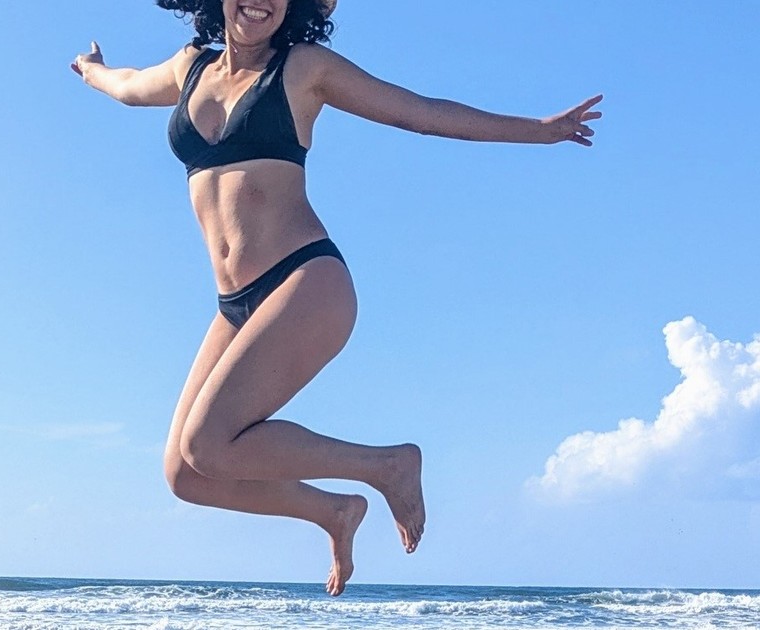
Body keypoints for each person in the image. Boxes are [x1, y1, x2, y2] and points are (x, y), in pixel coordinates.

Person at [71, 0, 600, 596]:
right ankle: (334, 511)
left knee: (207, 443)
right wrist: (92, 70)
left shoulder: (303, 68)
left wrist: (539, 130)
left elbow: (421, 113)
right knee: (186, 475)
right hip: (235, 304)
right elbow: (127, 87)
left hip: (305, 281)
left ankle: (388, 465)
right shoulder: (189, 67)